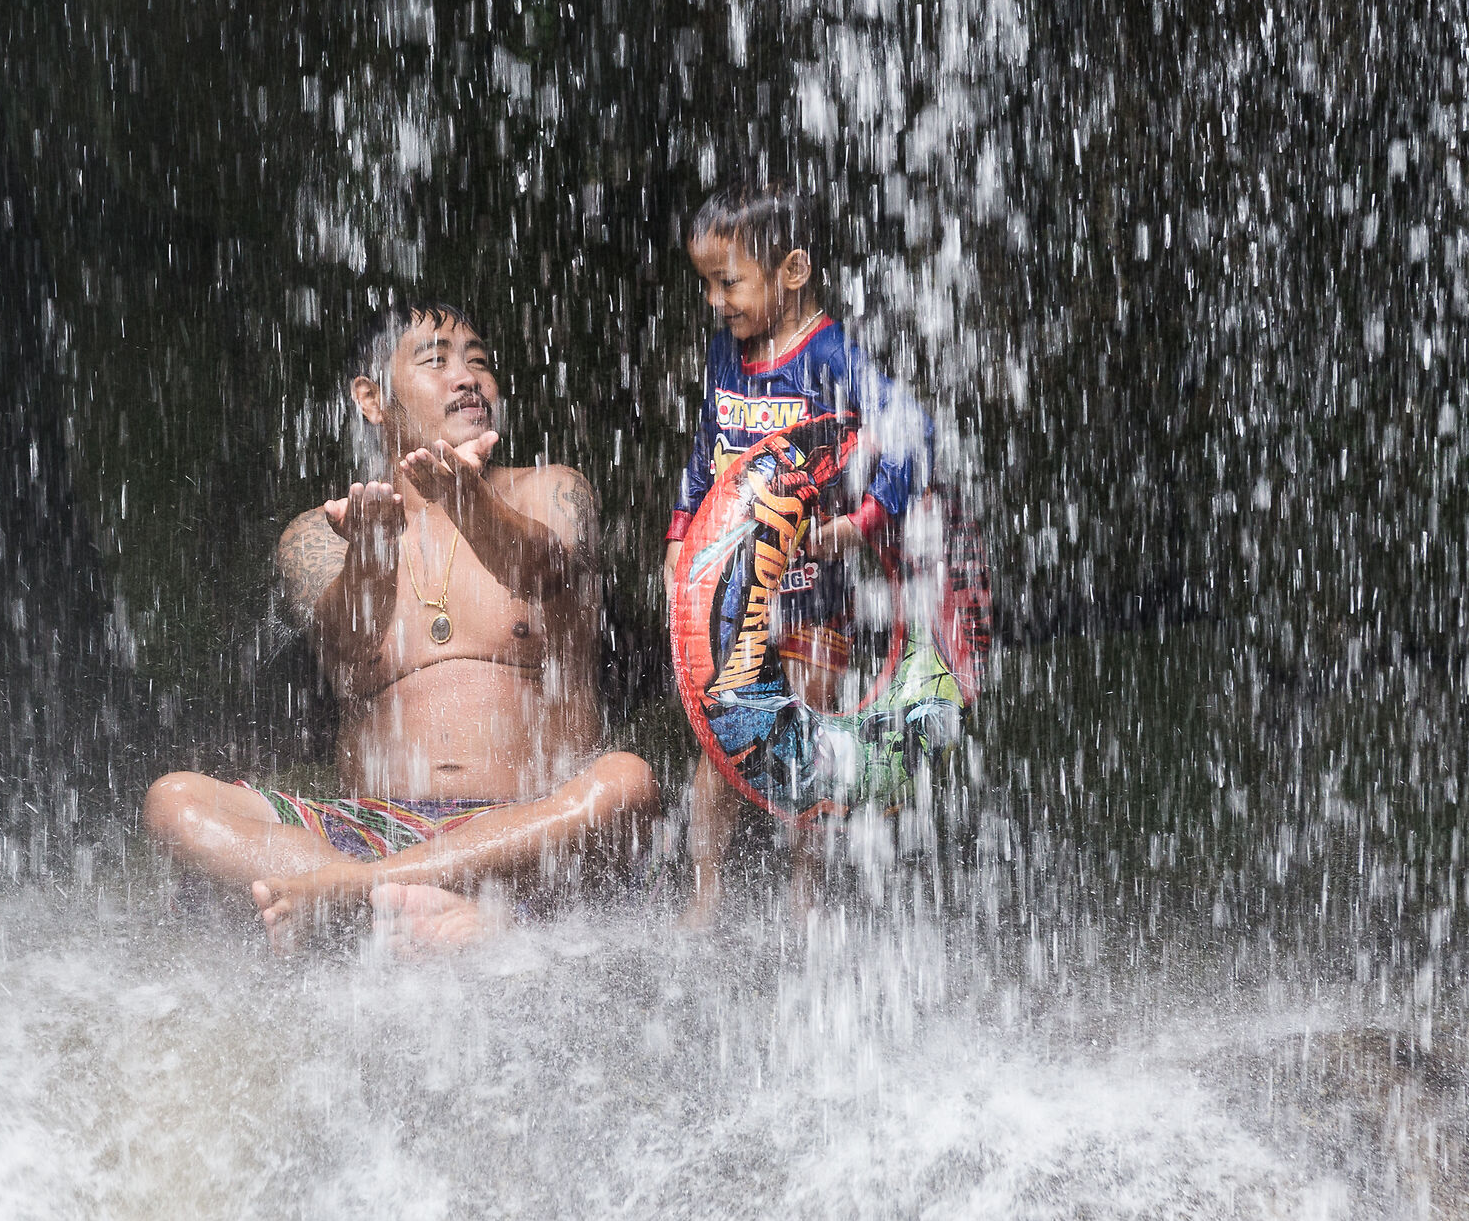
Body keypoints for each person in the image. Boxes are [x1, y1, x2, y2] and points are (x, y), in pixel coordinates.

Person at [142, 299, 660, 953]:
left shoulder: (551, 490)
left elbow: (545, 571)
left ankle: (351, 896)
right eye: (437, 361)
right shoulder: (322, 532)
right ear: (371, 397)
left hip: (526, 832)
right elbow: (346, 649)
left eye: (478, 362)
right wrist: (368, 559)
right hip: (369, 827)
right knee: (175, 800)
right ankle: (407, 899)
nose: (468, 378)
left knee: (626, 784)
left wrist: (472, 502)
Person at [663, 184, 934, 928]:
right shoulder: (728, 351)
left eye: (728, 282)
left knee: (806, 737)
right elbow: (705, 455)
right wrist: (681, 537)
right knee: (720, 747)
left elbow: (911, 430)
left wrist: (863, 521)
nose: (716, 301)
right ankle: (706, 894)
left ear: (791, 270)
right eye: (706, 285)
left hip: (816, 593)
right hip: (732, 600)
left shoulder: (833, 356)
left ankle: (803, 897)